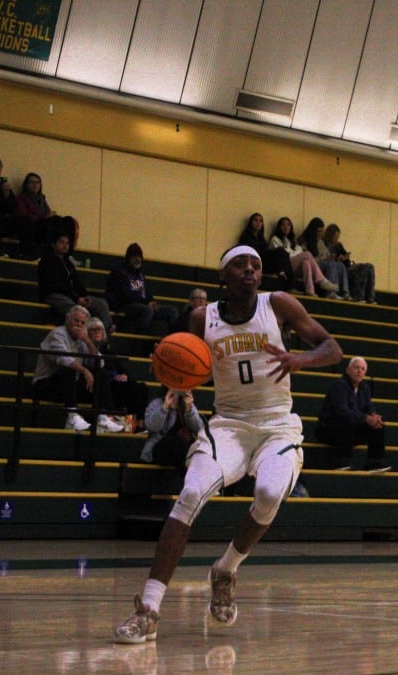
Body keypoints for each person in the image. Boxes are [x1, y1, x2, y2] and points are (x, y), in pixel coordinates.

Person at [113, 245, 342, 643]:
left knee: (270, 492)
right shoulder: (204, 316)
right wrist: (169, 367)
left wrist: (298, 360)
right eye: (240, 265)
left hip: (277, 424)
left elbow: (332, 348)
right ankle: (149, 609)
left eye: (255, 265)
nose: (250, 271)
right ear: (224, 277)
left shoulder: (279, 303)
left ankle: (226, 568)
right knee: (189, 494)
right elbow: (179, 359)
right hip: (228, 424)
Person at [31, 305, 126, 434]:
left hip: (70, 386)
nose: (79, 325)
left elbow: (100, 363)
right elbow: (64, 360)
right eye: (76, 321)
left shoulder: (82, 340)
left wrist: (87, 340)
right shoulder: (57, 334)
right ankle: (71, 417)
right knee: (68, 370)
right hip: (45, 384)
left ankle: (102, 418)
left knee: (101, 373)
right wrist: (84, 370)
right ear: (67, 320)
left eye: (82, 323)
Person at [316, 356, 391, 472]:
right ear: (348, 370)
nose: (359, 371)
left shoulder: (364, 388)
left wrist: (374, 416)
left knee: (378, 425)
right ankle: (342, 462)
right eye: (356, 367)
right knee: (347, 420)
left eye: (362, 369)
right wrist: (366, 418)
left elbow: (369, 407)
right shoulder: (339, 386)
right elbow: (342, 411)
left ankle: (375, 462)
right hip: (329, 430)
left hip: (350, 430)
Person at [37, 232, 114, 332]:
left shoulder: (68, 263)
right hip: (53, 294)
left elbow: (77, 283)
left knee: (101, 303)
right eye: (61, 242)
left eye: (67, 243)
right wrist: (76, 298)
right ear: (53, 244)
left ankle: (107, 328)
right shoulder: (47, 261)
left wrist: (84, 297)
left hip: (73, 296)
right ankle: (92, 331)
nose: (65, 245)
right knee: (77, 310)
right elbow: (57, 286)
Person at [86, 317, 149, 431]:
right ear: (87, 333)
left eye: (99, 329)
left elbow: (120, 368)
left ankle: (139, 423)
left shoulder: (108, 351)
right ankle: (114, 420)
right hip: (102, 384)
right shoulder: (86, 348)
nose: (97, 332)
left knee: (141, 387)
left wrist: (124, 375)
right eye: (93, 329)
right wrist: (114, 376)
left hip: (117, 383)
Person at [105, 243, 179, 334]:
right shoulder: (119, 272)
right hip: (124, 305)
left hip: (142, 305)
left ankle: (174, 339)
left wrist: (152, 301)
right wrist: (146, 303)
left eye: (139, 257)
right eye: (134, 257)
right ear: (128, 258)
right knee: (147, 311)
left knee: (172, 311)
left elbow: (146, 291)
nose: (138, 259)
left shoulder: (141, 274)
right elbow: (125, 295)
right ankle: (137, 339)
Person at [14, 172, 80, 261]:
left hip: (45, 226)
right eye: (32, 182)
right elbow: (23, 216)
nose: (35, 185)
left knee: (68, 220)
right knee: (55, 221)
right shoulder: (22, 198)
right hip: (33, 228)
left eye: (37, 182)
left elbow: (48, 214)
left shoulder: (41, 199)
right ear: (26, 184)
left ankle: (68, 253)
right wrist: (44, 216)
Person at [267, 216, 338, 297]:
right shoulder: (275, 239)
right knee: (307, 254)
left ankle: (310, 290)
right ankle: (321, 280)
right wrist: (296, 253)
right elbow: (283, 255)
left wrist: (296, 253)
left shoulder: (291, 240)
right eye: (283, 225)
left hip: (293, 267)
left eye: (288, 225)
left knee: (306, 262)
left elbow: (298, 252)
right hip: (283, 267)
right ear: (279, 227)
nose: (286, 227)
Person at [141, 387, 204, 465]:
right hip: (159, 448)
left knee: (187, 448)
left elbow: (199, 429)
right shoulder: (157, 403)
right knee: (177, 443)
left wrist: (189, 410)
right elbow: (151, 427)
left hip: (182, 450)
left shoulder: (188, 404)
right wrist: (164, 407)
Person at [299, 217, 350, 299]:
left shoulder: (320, 242)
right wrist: (323, 259)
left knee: (340, 265)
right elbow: (306, 257)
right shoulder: (305, 240)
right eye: (319, 231)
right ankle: (330, 292)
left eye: (321, 231)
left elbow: (325, 254)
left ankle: (345, 292)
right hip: (313, 265)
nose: (320, 233)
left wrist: (333, 258)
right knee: (331, 264)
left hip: (323, 263)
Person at [323, 223, 376, 303]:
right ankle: (358, 296)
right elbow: (328, 261)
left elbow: (345, 257)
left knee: (369, 266)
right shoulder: (325, 245)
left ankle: (370, 297)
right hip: (340, 269)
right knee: (361, 271)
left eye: (338, 237)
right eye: (335, 237)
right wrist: (338, 259)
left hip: (347, 265)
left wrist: (345, 258)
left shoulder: (338, 245)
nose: (337, 239)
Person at [239, 213, 293, 290]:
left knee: (284, 254)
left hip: (263, 262)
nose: (258, 223)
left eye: (260, 221)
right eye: (255, 220)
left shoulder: (262, 238)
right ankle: (281, 273)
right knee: (280, 250)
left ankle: (288, 281)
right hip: (254, 261)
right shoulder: (246, 236)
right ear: (251, 222)